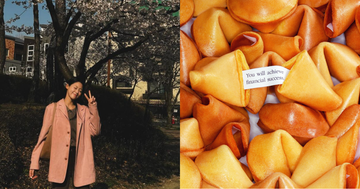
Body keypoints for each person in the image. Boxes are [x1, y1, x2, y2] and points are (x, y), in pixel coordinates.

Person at [29, 78, 101, 189]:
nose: (77, 92)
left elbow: (95, 131)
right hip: (59, 158)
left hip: (80, 157)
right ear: (67, 86)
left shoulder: (84, 111)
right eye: (75, 88)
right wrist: (34, 163)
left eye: (80, 90)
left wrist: (93, 107)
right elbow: (43, 137)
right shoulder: (52, 108)